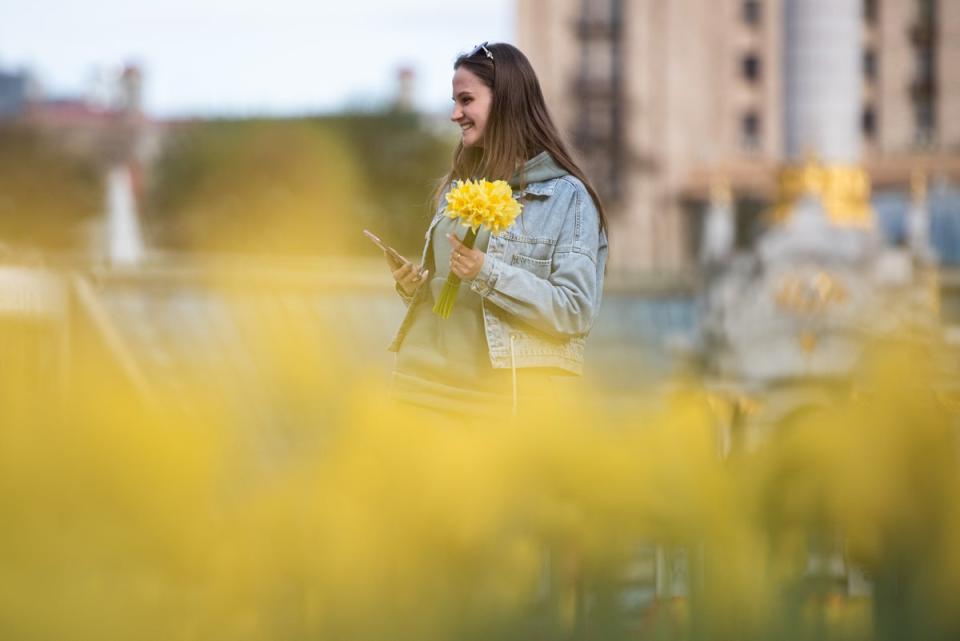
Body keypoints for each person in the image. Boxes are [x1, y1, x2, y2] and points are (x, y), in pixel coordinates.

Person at [384, 42, 608, 420]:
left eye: (466, 100)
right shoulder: (458, 185)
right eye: (454, 101)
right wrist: (417, 289)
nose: (455, 114)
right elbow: (455, 300)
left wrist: (486, 271)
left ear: (504, 101)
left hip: (493, 406)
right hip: (417, 386)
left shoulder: (568, 198)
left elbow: (575, 312)